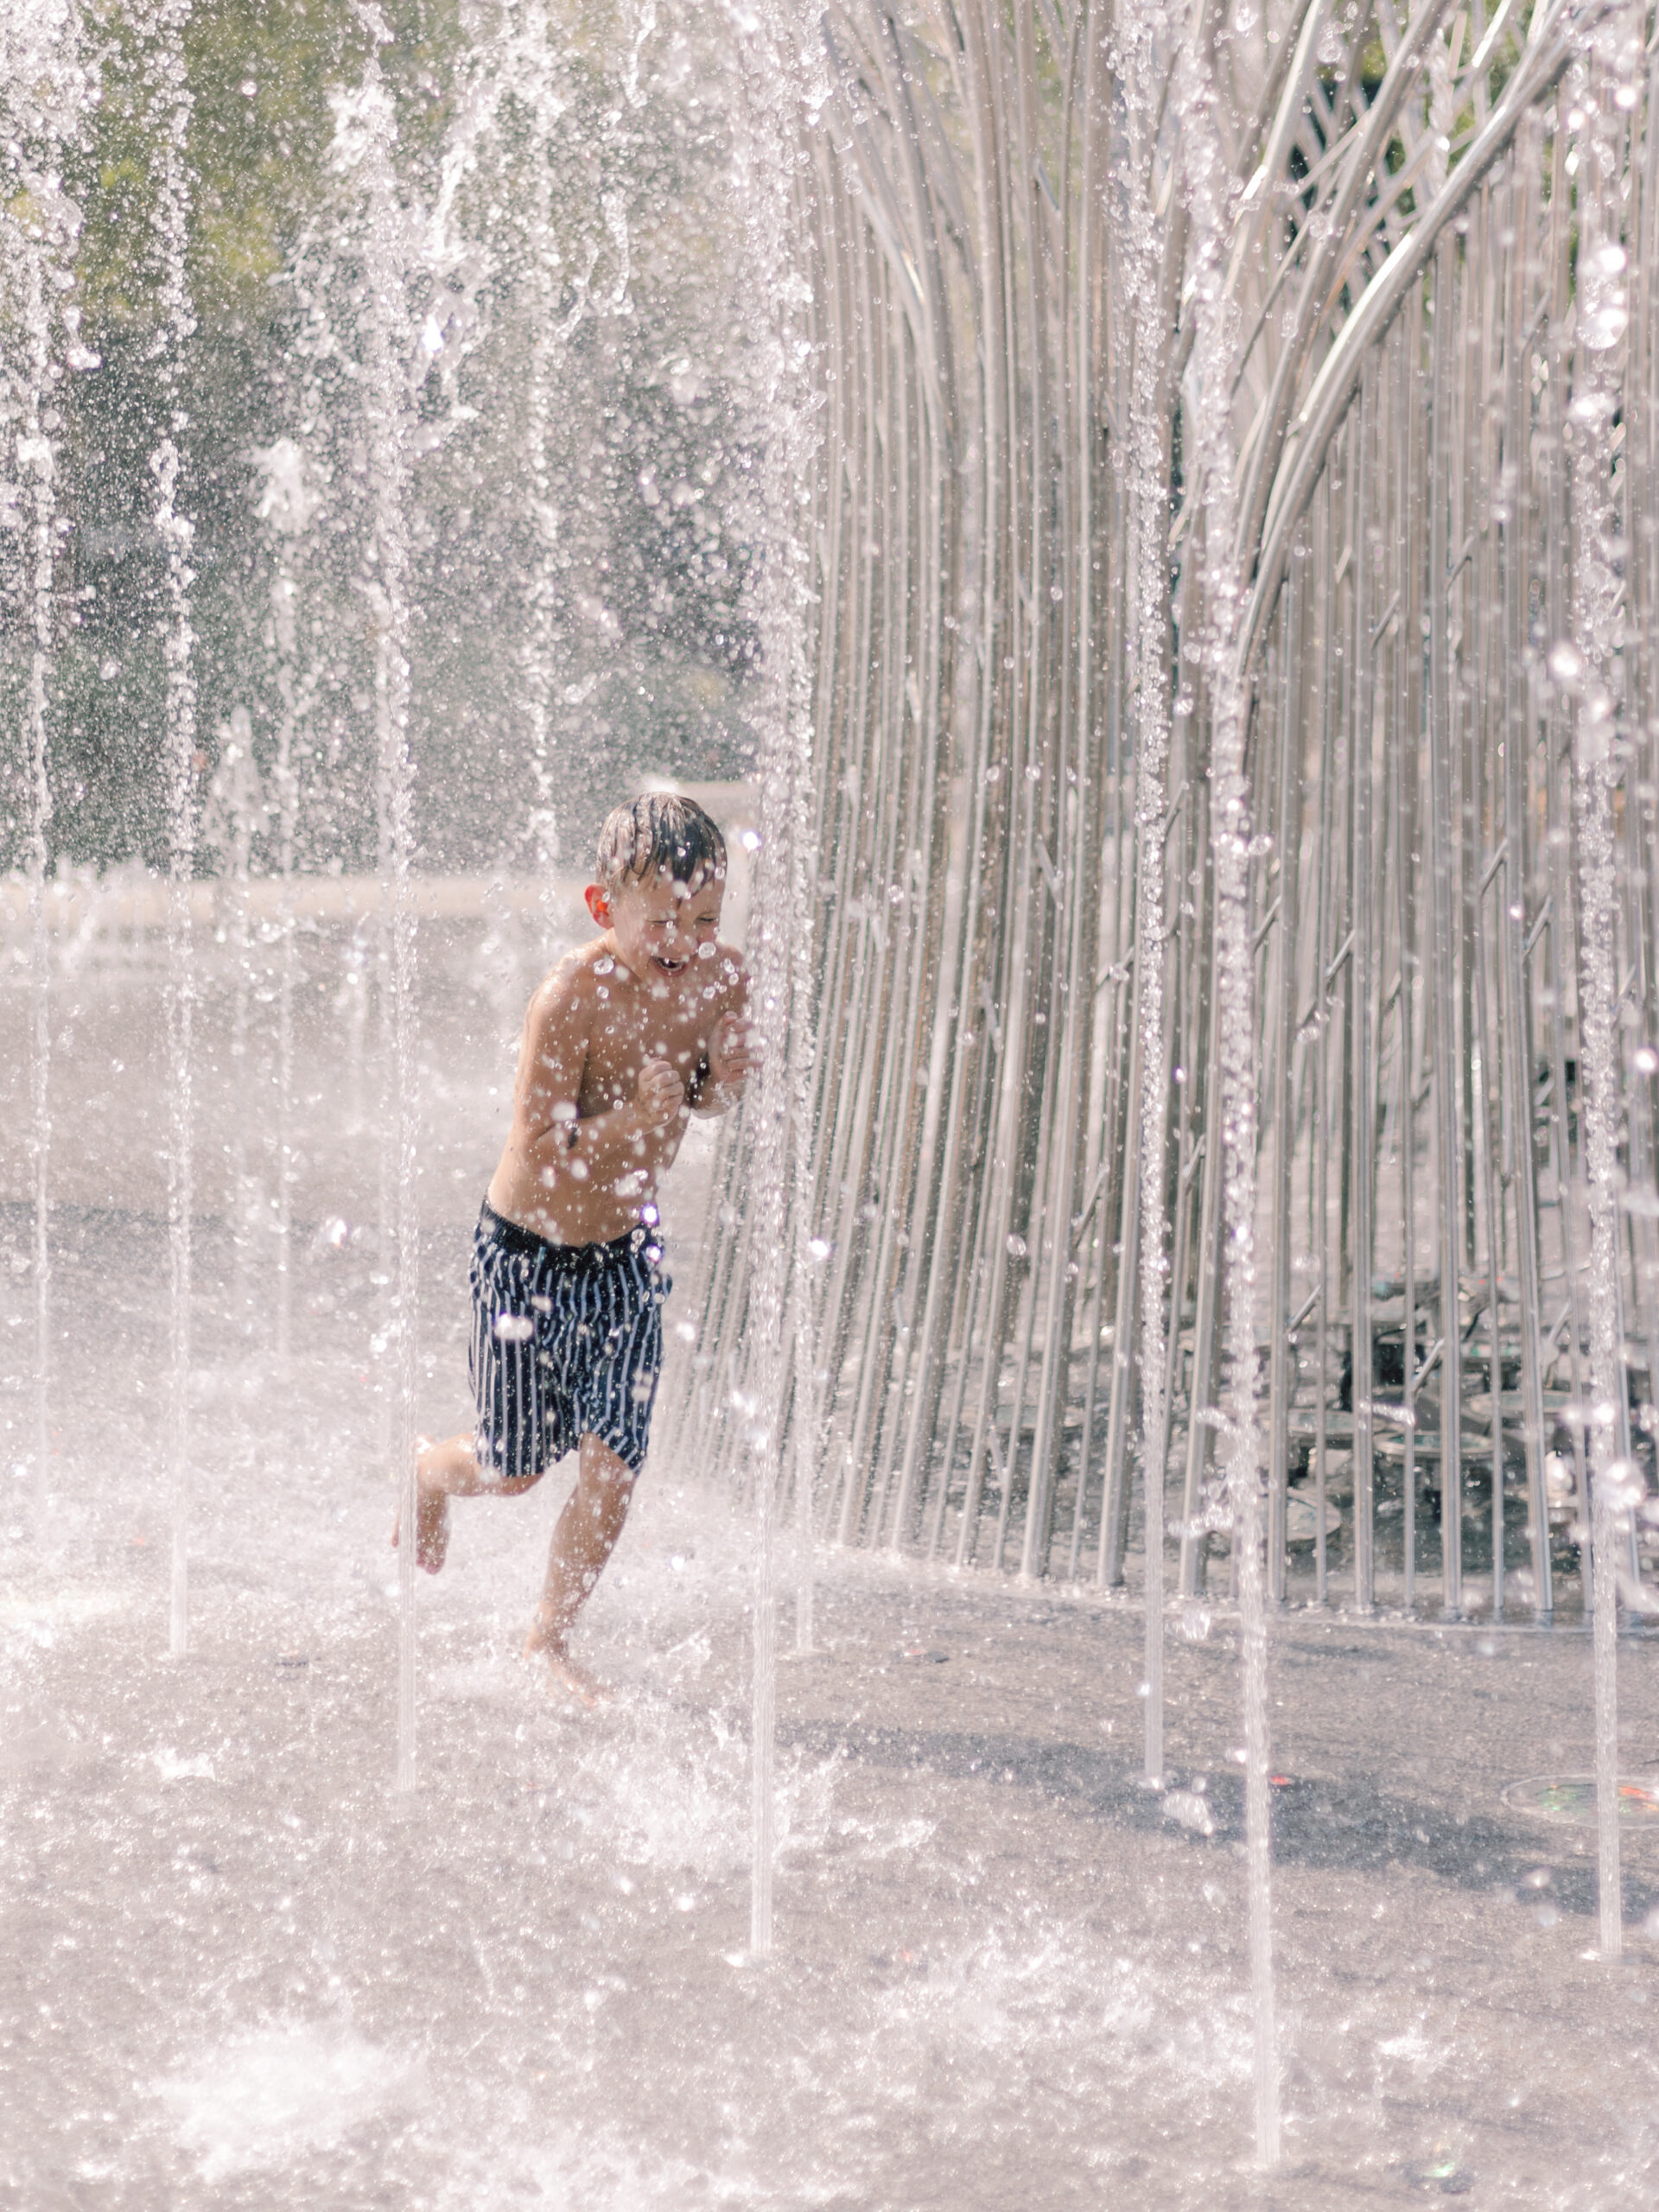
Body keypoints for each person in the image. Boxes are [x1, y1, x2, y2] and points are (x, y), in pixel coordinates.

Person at [396, 791, 756, 1705]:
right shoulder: (570, 998)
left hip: (627, 1257)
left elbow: (702, 1098)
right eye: (663, 920)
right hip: (528, 1256)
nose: (686, 939)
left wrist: (722, 1083)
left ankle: (547, 1640)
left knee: (614, 1459)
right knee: (516, 1468)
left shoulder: (720, 980)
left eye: (705, 919)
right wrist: (632, 1118)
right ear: (605, 909)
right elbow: (540, 1150)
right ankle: (430, 1471)